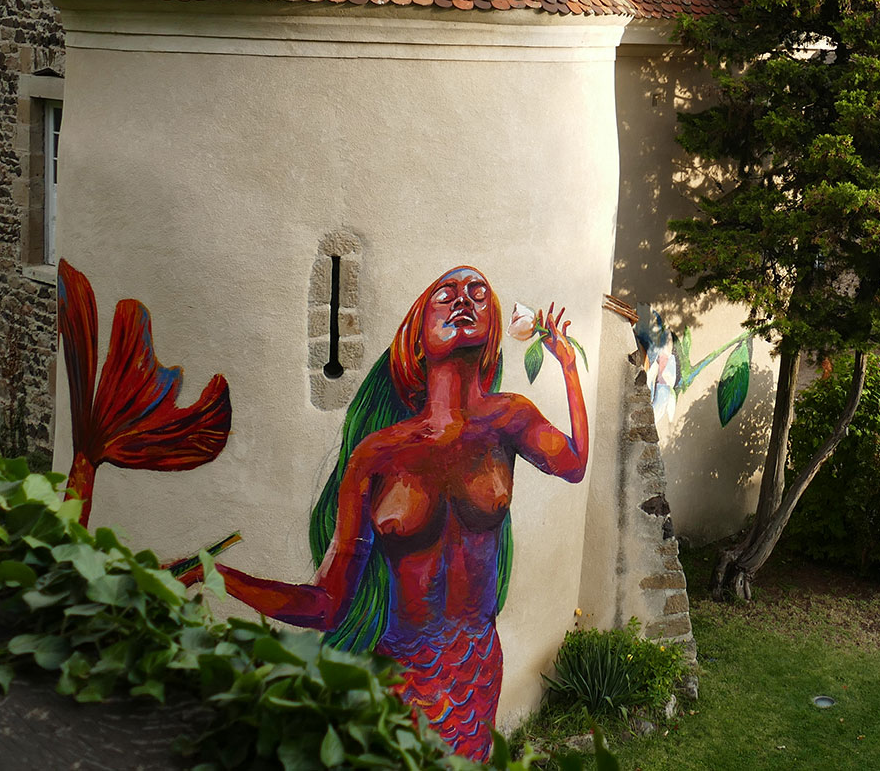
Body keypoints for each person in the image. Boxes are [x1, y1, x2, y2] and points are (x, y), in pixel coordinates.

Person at [181, 267, 587, 758]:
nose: (464, 300)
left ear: (494, 330)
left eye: (479, 294)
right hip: (398, 686)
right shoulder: (376, 455)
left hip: (476, 678)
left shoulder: (510, 419)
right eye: (446, 294)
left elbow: (574, 464)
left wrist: (566, 366)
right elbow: (327, 603)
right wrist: (216, 573)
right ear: (416, 339)